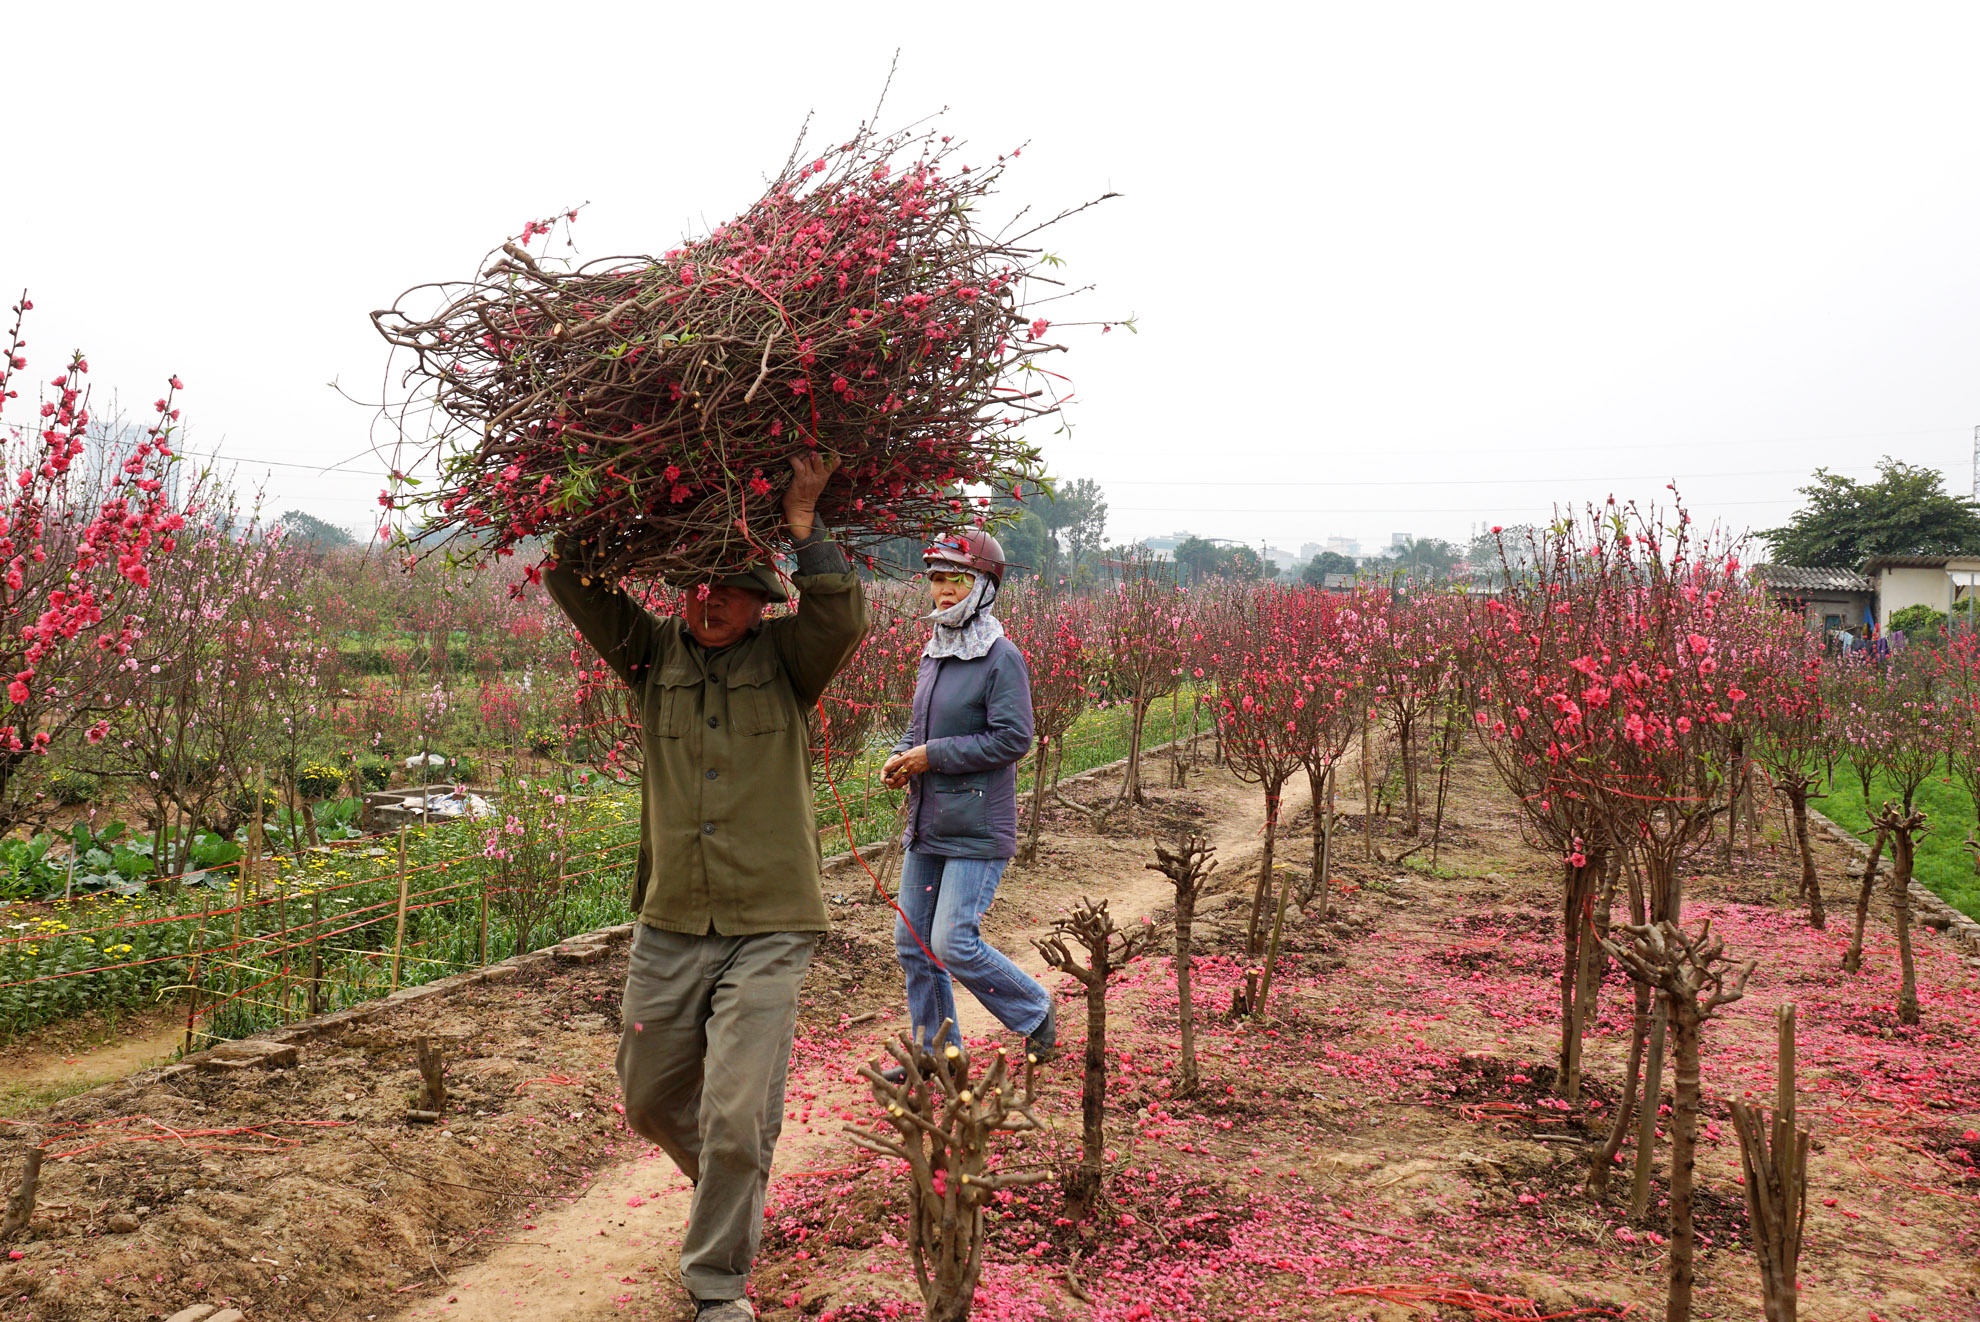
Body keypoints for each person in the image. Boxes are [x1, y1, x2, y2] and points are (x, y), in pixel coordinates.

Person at [546, 453, 864, 1322]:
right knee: (648, 1098)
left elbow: (840, 615)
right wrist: (610, 495)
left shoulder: (789, 661)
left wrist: (804, 517)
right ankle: (737, 1193)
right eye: (693, 585)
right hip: (674, 918)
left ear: (763, 601)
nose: (709, 601)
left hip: (770, 922)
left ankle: (716, 1283)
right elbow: (570, 580)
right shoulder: (651, 657)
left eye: (729, 588)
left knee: (734, 1118)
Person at [880, 528, 1056, 1073]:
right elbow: (918, 731)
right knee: (913, 941)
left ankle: (1033, 1010)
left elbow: (1012, 739)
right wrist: (902, 756)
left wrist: (932, 756)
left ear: (983, 585)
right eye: (936, 579)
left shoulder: (1001, 657)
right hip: (928, 823)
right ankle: (937, 1053)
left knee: (953, 940)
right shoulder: (935, 655)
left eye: (956, 579)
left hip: (978, 824)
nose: (944, 590)